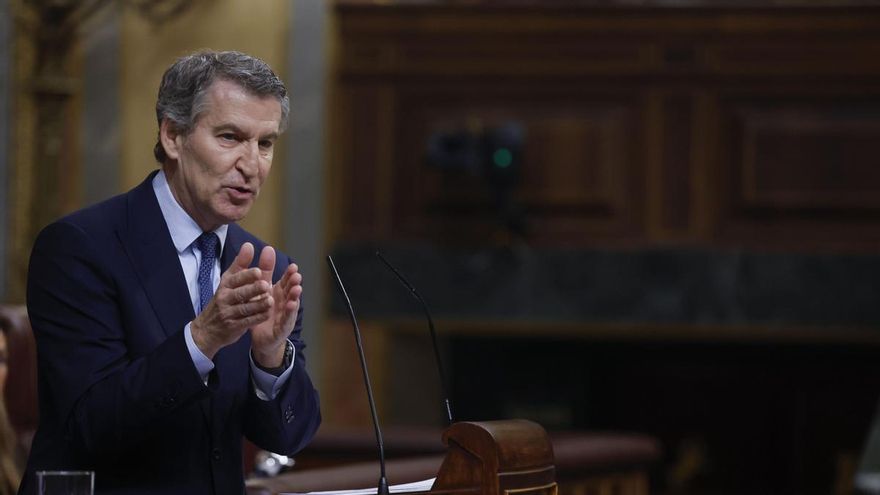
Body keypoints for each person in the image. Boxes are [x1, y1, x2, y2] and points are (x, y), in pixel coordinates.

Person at [18, 50, 321, 494]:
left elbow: (288, 436)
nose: (252, 165)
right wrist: (203, 339)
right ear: (174, 134)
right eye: (230, 137)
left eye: (265, 143)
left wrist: (270, 360)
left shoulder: (262, 263)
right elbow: (89, 426)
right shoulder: (80, 247)